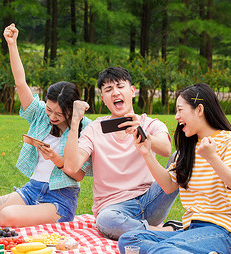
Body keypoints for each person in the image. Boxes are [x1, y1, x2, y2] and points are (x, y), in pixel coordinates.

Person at [118, 83, 231, 254]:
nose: (176, 117)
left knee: (158, 253)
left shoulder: (229, 142)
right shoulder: (188, 148)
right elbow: (169, 186)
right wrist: (146, 152)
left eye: (180, 110)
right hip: (192, 229)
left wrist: (213, 158)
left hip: (222, 233)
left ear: (199, 110)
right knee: (129, 241)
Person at [0, 24, 93, 227]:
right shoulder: (41, 114)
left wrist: (55, 158)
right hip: (31, 189)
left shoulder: (85, 127)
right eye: (49, 110)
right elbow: (21, 83)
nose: (51, 116)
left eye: (59, 114)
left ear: (71, 110)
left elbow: (79, 174)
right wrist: (12, 44)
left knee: (7, 217)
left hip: (60, 198)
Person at [63, 67, 179, 240]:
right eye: (108, 90)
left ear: (132, 91)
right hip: (114, 209)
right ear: (103, 99)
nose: (115, 92)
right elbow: (71, 166)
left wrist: (142, 133)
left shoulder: (150, 123)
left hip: (151, 200)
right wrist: (74, 122)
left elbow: (165, 149)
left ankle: (145, 230)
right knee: (106, 220)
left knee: (181, 157)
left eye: (120, 86)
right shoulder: (93, 130)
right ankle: (168, 232)